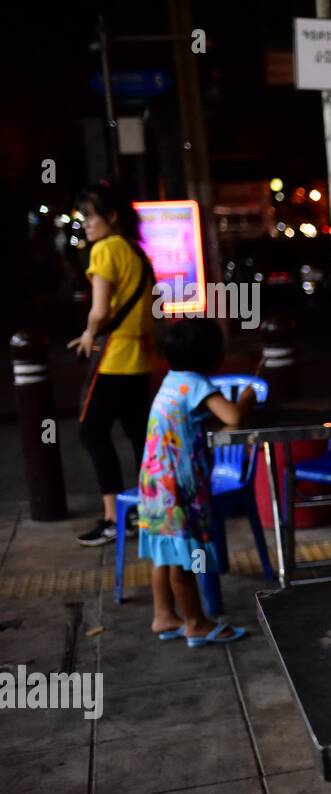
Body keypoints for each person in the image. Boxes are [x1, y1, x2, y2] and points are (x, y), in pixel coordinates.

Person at [139, 319, 256, 648]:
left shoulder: (172, 381)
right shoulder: (198, 385)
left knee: (164, 551)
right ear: (210, 355)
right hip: (179, 485)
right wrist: (247, 398)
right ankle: (196, 622)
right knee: (185, 554)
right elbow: (232, 416)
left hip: (154, 482)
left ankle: (164, 615)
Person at [68, 182, 156, 546]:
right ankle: (145, 510)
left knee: (91, 432)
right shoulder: (138, 253)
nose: (85, 224)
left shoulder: (104, 250)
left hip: (115, 358)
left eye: (90, 216)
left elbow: (100, 310)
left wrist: (89, 333)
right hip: (141, 359)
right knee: (138, 436)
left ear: (112, 216)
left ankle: (112, 518)